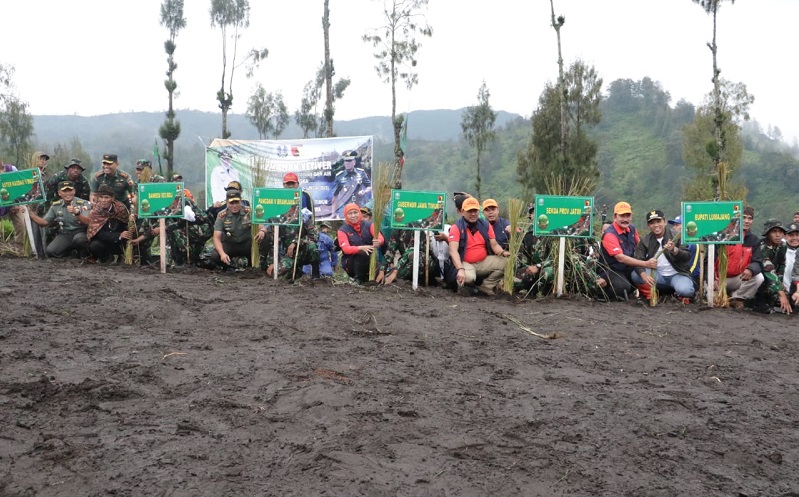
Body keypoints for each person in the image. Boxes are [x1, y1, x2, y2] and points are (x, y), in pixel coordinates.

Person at [255, 172, 319, 279]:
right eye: (288, 184)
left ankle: (316, 275)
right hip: (287, 254)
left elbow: (314, 236)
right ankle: (296, 271)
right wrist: (263, 230)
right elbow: (271, 226)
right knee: (276, 273)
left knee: (312, 246)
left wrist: (295, 242)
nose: (290, 186)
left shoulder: (304, 215)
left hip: (301, 250)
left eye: (293, 184)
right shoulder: (280, 216)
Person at [447, 197, 509, 296]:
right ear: (462, 212)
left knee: (508, 263)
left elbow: (494, 245)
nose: (473, 214)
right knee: (469, 277)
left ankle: (487, 286)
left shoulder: (485, 225)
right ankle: (461, 287)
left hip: (482, 262)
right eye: (470, 211)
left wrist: (502, 252)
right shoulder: (456, 227)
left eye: (475, 210)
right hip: (464, 262)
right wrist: (460, 269)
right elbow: (453, 251)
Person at [631, 209, 696, 302]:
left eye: (658, 221)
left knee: (685, 291)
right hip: (657, 275)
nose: (656, 225)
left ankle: (677, 294)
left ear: (665, 222)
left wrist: (674, 250)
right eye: (652, 223)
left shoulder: (677, 236)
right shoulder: (645, 240)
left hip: (677, 275)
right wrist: (644, 274)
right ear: (648, 225)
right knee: (635, 275)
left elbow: (687, 256)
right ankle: (650, 294)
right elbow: (638, 259)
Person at [597, 201, 657, 301]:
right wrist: (645, 264)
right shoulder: (609, 234)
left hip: (629, 268)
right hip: (611, 269)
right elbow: (620, 258)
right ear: (615, 217)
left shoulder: (632, 229)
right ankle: (602, 294)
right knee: (622, 287)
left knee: (647, 278)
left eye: (628, 216)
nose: (625, 219)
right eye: (622, 216)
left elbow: (640, 247)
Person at [714, 206, 764, 309]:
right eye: (744, 217)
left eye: (750, 218)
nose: (747, 221)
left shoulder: (754, 240)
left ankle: (737, 298)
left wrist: (751, 269)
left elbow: (757, 261)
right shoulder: (722, 236)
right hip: (718, 279)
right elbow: (708, 260)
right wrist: (712, 278)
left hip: (738, 279)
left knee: (759, 277)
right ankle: (720, 295)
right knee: (713, 301)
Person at [26, 181, 90, 258]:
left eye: (70, 190)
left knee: (79, 240)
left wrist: (77, 213)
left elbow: (87, 222)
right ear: (59, 193)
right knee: (50, 251)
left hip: (81, 233)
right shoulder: (56, 205)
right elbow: (44, 223)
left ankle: (84, 256)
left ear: (74, 191)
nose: (68, 193)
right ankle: (69, 254)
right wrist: (30, 213)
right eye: (64, 191)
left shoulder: (83, 204)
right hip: (66, 234)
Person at [82, 184, 131, 263]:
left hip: (119, 242)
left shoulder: (120, 209)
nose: (103, 200)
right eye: (101, 197)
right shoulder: (95, 212)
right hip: (104, 241)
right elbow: (97, 233)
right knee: (94, 245)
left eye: (106, 197)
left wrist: (127, 230)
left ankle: (123, 256)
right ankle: (106, 258)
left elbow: (125, 224)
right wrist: (118, 235)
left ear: (112, 198)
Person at [337, 203, 384, 282]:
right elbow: (345, 249)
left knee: (381, 275)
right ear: (346, 215)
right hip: (351, 264)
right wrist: (360, 248)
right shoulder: (342, 230)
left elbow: (380, 237)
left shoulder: (370, 225)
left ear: (359, 213)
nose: (353, 216)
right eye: (350, 213)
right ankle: (358, 279)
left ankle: (369, 278)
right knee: (362, 254)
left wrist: (379, 241)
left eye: (355, 212)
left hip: (370, 261)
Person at [208, 189, 252, 270]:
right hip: (231, 244)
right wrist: (222, 254)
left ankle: (255, 266)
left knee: (265, 238)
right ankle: (230, 267)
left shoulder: (249, 212)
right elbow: (216, 238)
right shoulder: (222, 215)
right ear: (227, 203)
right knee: (215, 255)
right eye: (231, 203)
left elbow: (261, 226)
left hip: (247, 244)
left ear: (241, 201)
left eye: (236, 202)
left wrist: (262, 231)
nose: (234, 206)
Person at [331, 151, 371, 218]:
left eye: (349, 161)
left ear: (354, 162)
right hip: (345, 208)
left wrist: (364, 191)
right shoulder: (339, 176)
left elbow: (369, 186)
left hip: (360, 206)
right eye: (346, 161)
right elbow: (335, 195)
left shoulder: (361, 172)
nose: (347, 163)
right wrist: (333, 212)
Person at [0, 163, 27, 255]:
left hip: (13, 201)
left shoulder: (11, 169)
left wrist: (16, 203)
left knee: (21, 224)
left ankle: (19, 249)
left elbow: (20, 186)